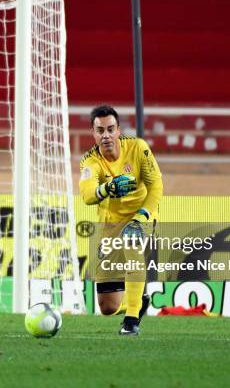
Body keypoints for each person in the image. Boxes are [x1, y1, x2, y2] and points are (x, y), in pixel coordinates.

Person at [79, 105, 163, 336]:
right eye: (100, 131)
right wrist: (108, 187)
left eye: (110, 129)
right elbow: (87, 196)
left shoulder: (138, 148)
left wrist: (142, 215)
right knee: (107, 306)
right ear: (93, 133)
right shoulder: (90, 161)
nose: (105, 135)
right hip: (110, 223)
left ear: (118, 130)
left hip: (141, 214)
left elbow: (156, 186)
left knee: (131, 241)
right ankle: (138, 299)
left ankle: (132, 319)